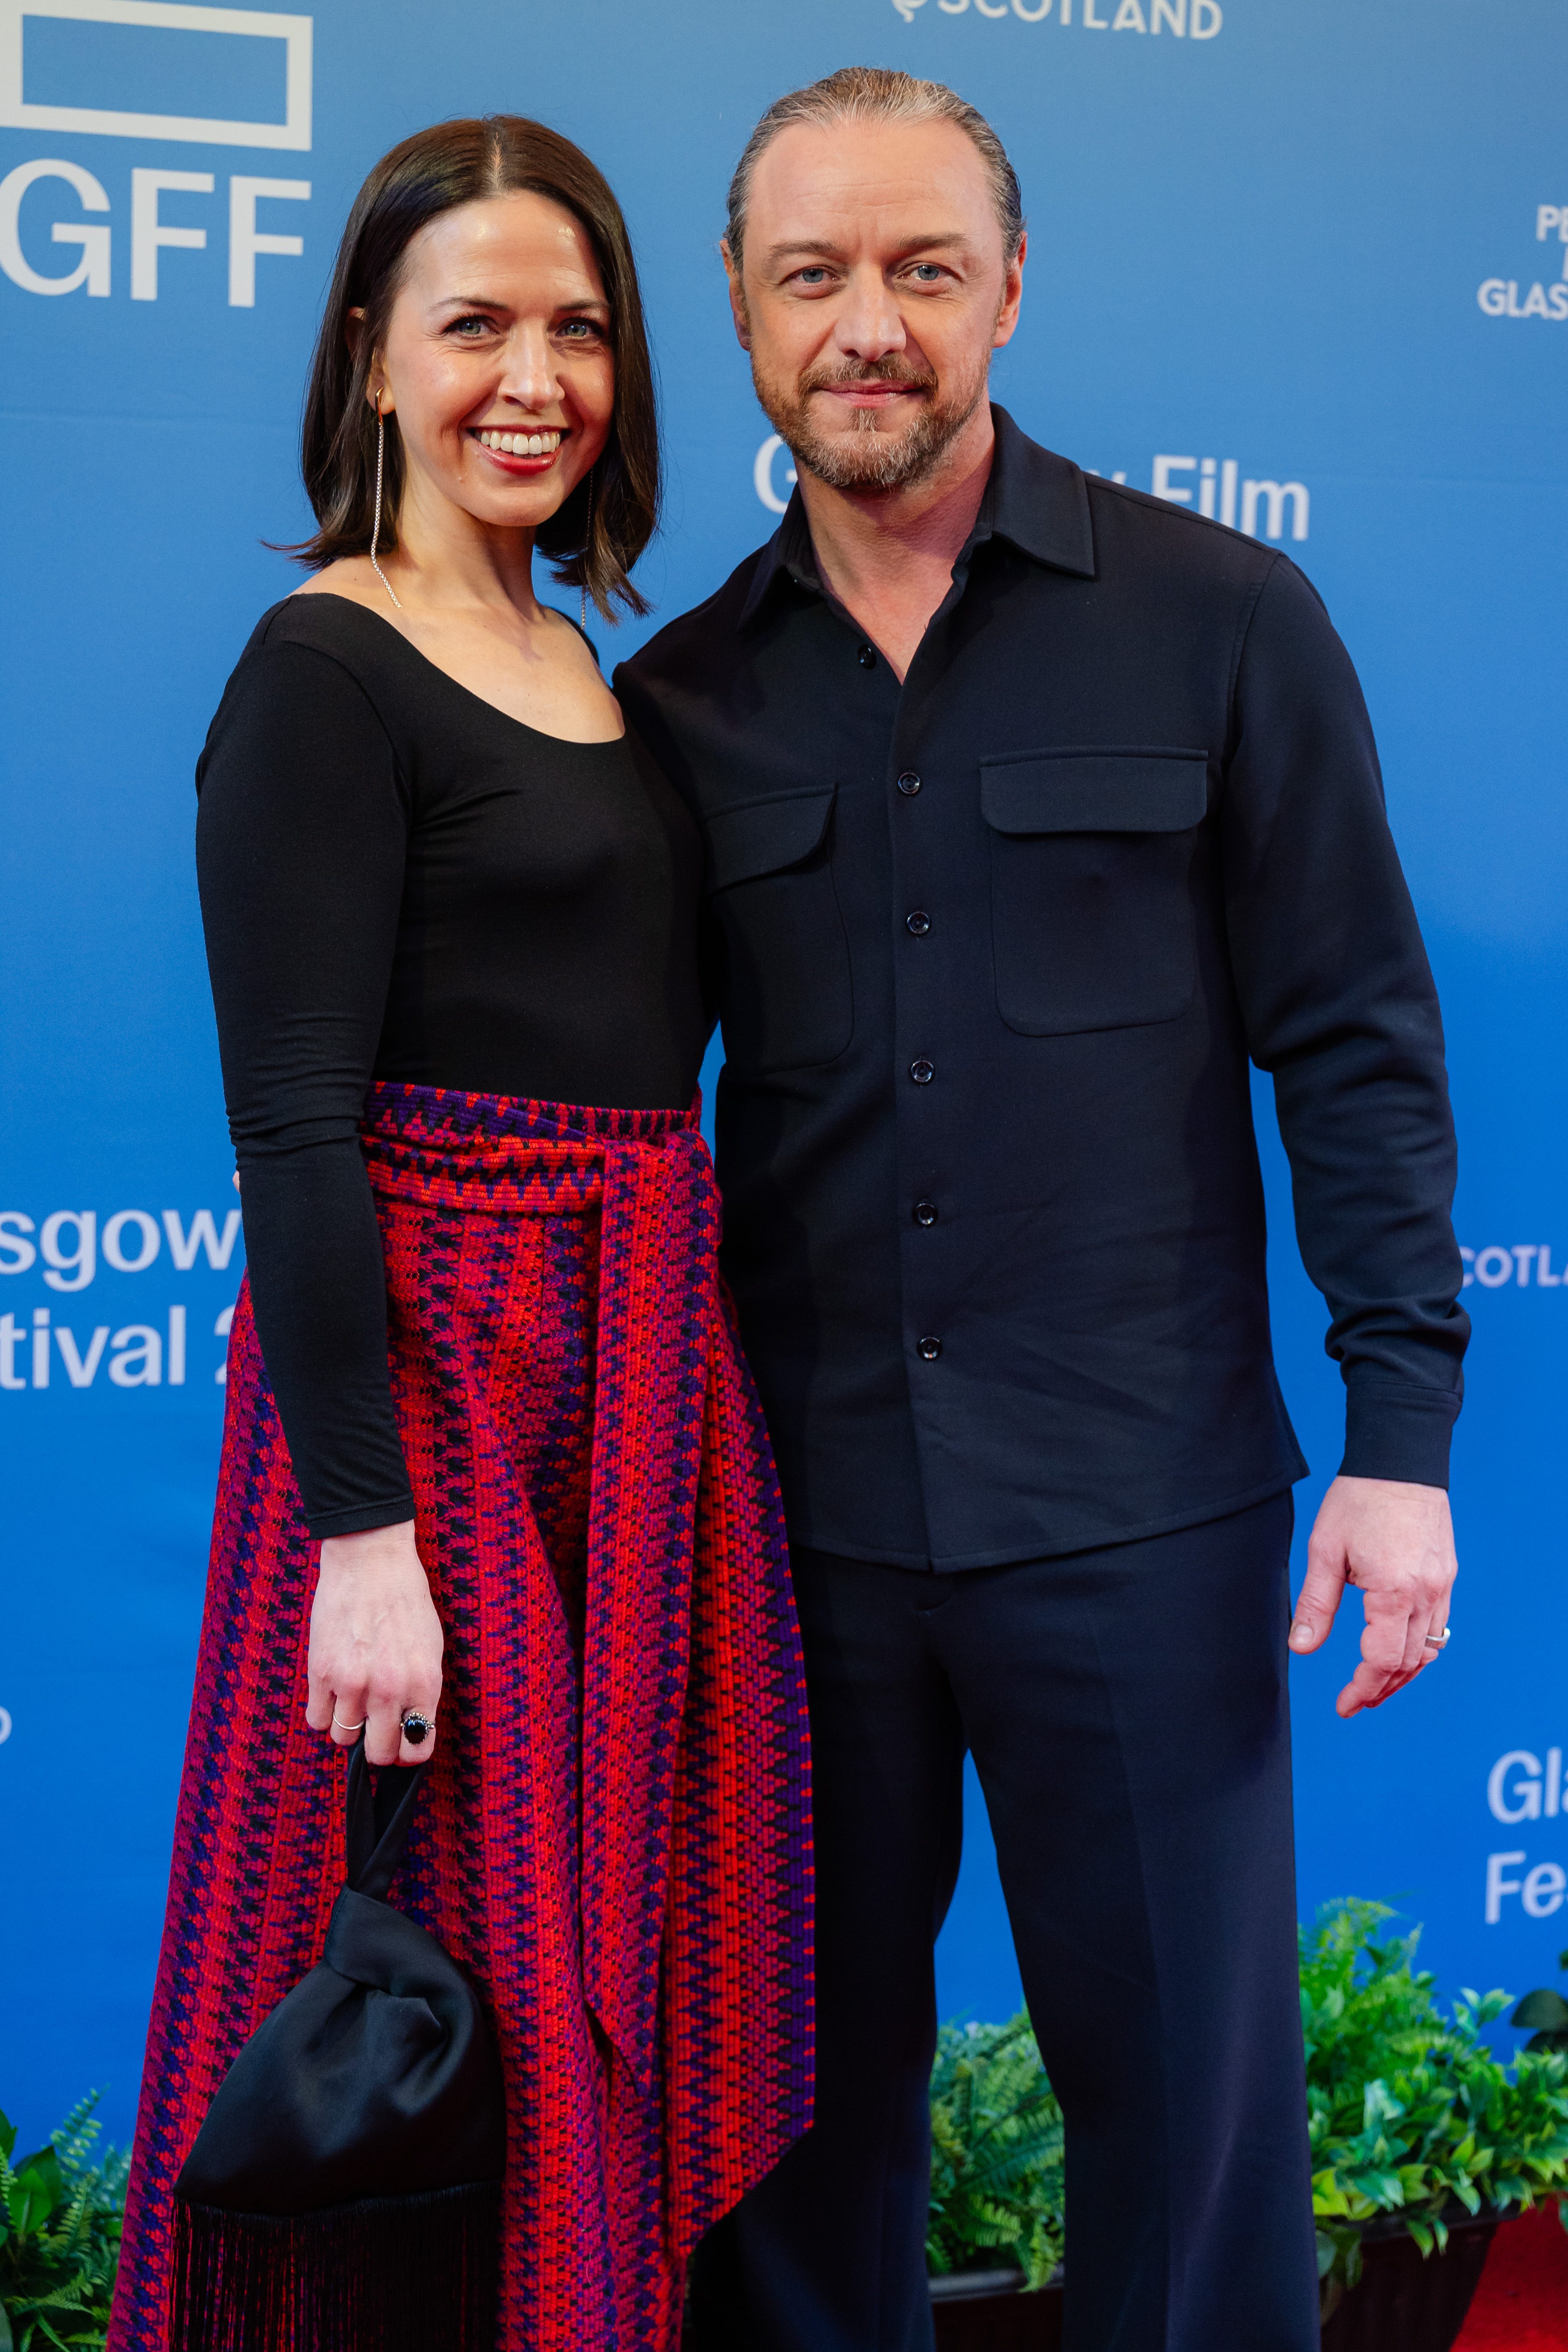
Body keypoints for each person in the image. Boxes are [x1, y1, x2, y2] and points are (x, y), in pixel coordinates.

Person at [616, 67, 1467, 2352]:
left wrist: (1399, 1436)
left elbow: (1357, 1039)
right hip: (789, 1533)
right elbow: (611, 1118)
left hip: (1141, 1511)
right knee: (788, 2135)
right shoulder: (676, 702)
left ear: (1010, 289)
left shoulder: (1222, 618)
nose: (867, 324)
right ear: (738, 303)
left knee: (1189, 2123)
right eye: (812, 273)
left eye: (923, 267)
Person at [107, 117, 811, 2352]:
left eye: (578, 329)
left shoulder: (594, 666)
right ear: (371, 352)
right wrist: (365, 1538)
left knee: (599, 1971)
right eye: (476, 323)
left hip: (634, 1392)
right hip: (432, 1417)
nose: (535, 377)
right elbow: (296, 1130)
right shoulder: (321, 668)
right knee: (436, 1982)